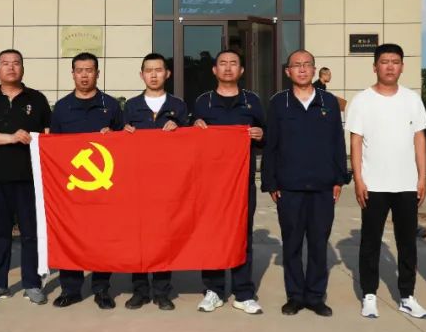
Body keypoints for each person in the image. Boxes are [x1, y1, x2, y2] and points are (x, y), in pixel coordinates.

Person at [346, 43, 426, 320]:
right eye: (384, 61)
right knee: (370, 242)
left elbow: (419, 139)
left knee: (407, 243)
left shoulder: (412, 99)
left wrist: (421, 177)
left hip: (406, 184)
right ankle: (369, 295)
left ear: (402, 66)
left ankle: (407, 296)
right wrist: (359, 179)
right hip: (374, 185)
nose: (390, 66)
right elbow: (355, 142)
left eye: (395, 61)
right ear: (375, 67)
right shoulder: (362, 100)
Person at [262, 49, 347, 317]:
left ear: (314, 69)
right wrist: (270, 182)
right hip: (289, 187)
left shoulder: (328, 101)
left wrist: (339, 178)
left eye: (307, 64)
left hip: (323, 186)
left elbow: (337, 142)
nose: (302, 69)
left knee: (319, 243)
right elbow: (271, 145)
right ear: (288, 71)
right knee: (292, 244)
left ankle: (315, 296)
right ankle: (295, 296)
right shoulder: (279, 103)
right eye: (296, 65)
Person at [192, 49, 269, 315]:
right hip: (210, 184)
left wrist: (260, 134)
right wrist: (195, 126)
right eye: (222, 64)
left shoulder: (252, 101)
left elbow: (268, 136)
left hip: (241, 182)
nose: (227, 68)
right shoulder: (203, 102)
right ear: (214, 70)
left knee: (242, 234)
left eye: (233, 64)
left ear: (241, 70)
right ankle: (213, 290)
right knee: (211, 233)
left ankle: (243, 293)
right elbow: (189, 142)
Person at [0, 49, 52, 306]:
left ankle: (33, 284)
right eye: (5, 63)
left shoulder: (37, 99)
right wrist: (11, 138)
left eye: (16, 63)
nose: (11, 67)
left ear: (22, 68)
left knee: (31, 234)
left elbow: (49, 136)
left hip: (31, 180)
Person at [50, 52, 124, 309]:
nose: (84, 75)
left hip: (103, 187)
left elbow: (125, 144)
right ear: (72, 74)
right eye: (79, 70)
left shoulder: (111, 106)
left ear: (97, 74)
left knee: (102, 238)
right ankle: (70, 289)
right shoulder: (61, 107)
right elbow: (53, 148)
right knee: (69, 236)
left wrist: (113, 135)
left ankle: (102, 289)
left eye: (89, 70)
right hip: (70, 187)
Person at [121, 53, 188, 311]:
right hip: (137, 183)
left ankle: (162, 292)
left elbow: (191, 142)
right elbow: (119, 144)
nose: (153, 74)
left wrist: (179, 130)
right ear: (141, 75)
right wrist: (122, 134)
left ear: (167, 74)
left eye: (158, 70)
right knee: (138, 237)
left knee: (163, 237)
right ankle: (139, 291)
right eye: (148, 70)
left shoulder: (178, 106)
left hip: (168, 184)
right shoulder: (131, 106)